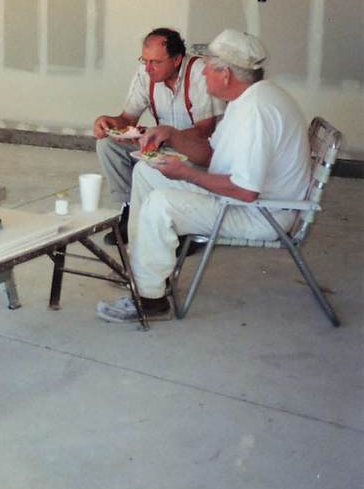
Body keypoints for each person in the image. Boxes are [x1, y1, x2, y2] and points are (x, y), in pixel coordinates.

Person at [96, 29, 311, 323]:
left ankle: (150, 300)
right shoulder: (247, 99)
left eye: (208, 67)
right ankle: (143, 272)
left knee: (161, 204)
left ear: (225, 74)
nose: (203, 73)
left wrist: (186, 174)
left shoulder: (256, 111)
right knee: (146, 171)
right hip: (245, 200)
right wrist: (171, 134)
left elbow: (245, 191)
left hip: (262, 215)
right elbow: (211, 154)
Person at [92, 28, 222, 245]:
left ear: (177, 59)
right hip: (162, 144)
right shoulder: (146, 74)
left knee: (156, 162)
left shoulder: (199, 73)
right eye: (144, 60)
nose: (148, 68)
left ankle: (182, 223)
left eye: (155, 62)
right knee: (107, 145)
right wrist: (109, 122)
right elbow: (127, 118)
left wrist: (165, 136)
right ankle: (130, 208)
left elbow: (204, 130)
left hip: (199, 151)